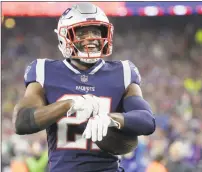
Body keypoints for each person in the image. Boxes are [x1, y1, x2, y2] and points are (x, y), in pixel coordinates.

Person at [12, 2, 156, 172]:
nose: (92, 38)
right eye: (82, 32)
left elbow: (147, 121)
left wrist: (111, 119)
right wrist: (68, 105)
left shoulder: (123, 71)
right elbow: (22, 121)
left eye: (96, 31)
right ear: (64, 36)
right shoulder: (44, 70)